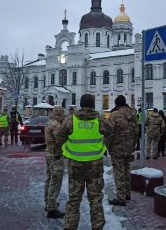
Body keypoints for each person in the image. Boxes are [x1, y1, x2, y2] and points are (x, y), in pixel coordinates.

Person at [56, 94, 113, 230]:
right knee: (96, 200)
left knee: (74, 201)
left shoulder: (71, 119)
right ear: (93, 105)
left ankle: (70, 227)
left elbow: (59, 138)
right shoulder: (100, 119)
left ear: (81, 104)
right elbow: (110, 133)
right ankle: (98, 227)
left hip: (75, 166)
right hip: (95, 166)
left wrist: (67, 149)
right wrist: (103, 147)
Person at [108, 95, 138, 206]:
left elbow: (109, 132)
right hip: (129, 148)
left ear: (116, 104)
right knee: (126, 170)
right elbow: (136, 131)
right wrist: (133, 144)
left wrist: (106, 146)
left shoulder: (114, 115)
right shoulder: (132, 114)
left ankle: (120, 198)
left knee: (119, 172)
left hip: (117, 149)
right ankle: (127, 193)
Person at [44, 106, 65, 219]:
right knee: (55, 181)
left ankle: (47, 203)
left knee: (49, 178)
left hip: (48, 153)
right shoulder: (56, 125)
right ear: (60, 115)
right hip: (55, 155)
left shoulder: (49, 122)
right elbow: (59, 140)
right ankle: (51, 208)